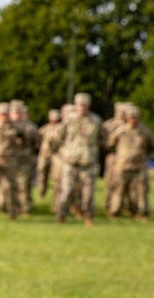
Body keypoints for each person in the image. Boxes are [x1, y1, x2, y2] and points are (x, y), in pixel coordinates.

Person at [48, 92, 103, 225]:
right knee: (66, 191)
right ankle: (61, 215)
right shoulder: (68, 121)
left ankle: (88, 217)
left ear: (88, 105)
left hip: (88, 162)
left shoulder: (96, 121)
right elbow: (57, 138)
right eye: (79, 105)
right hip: (70, 161)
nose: (81, 107)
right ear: (75, 105)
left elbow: (103, 139)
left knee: (88, 193)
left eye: (84, 105)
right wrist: (60, 153)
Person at [105, 104, 153, 220]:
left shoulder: (145, 131)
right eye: (131, 117)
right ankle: (114, 212)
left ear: (139, 117)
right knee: (118, 190)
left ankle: (142, 213)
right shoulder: (120, 131)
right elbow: (110, 145)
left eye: (135, 116)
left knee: (141, 192)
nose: (133, 119)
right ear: (126, 118)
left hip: (139, 165)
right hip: (122, 165)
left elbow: (151, 145)